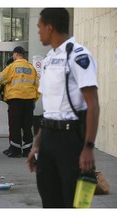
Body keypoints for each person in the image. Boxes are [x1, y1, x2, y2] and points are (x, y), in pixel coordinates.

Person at [26, 8, 100, 208]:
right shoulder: (49, 58)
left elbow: (92, 103)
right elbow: (49, 111)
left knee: (73, 203)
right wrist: (37, 144)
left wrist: (88, 148)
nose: (39, 31)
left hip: (71, 140)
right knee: (49, 200)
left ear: (50, 27)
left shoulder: (79, 55)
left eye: (39, 27)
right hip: (48, 138)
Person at [0, 46, 40, 158]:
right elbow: (37, 86)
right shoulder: (31, 68)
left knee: (15, 125)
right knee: (27, 126)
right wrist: (34, 99)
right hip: (29, 100)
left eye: (13, 55)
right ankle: (27, 150)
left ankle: (15, 150)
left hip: (15, 99)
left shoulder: (12, 66)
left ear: (16, 54)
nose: (12, 56)